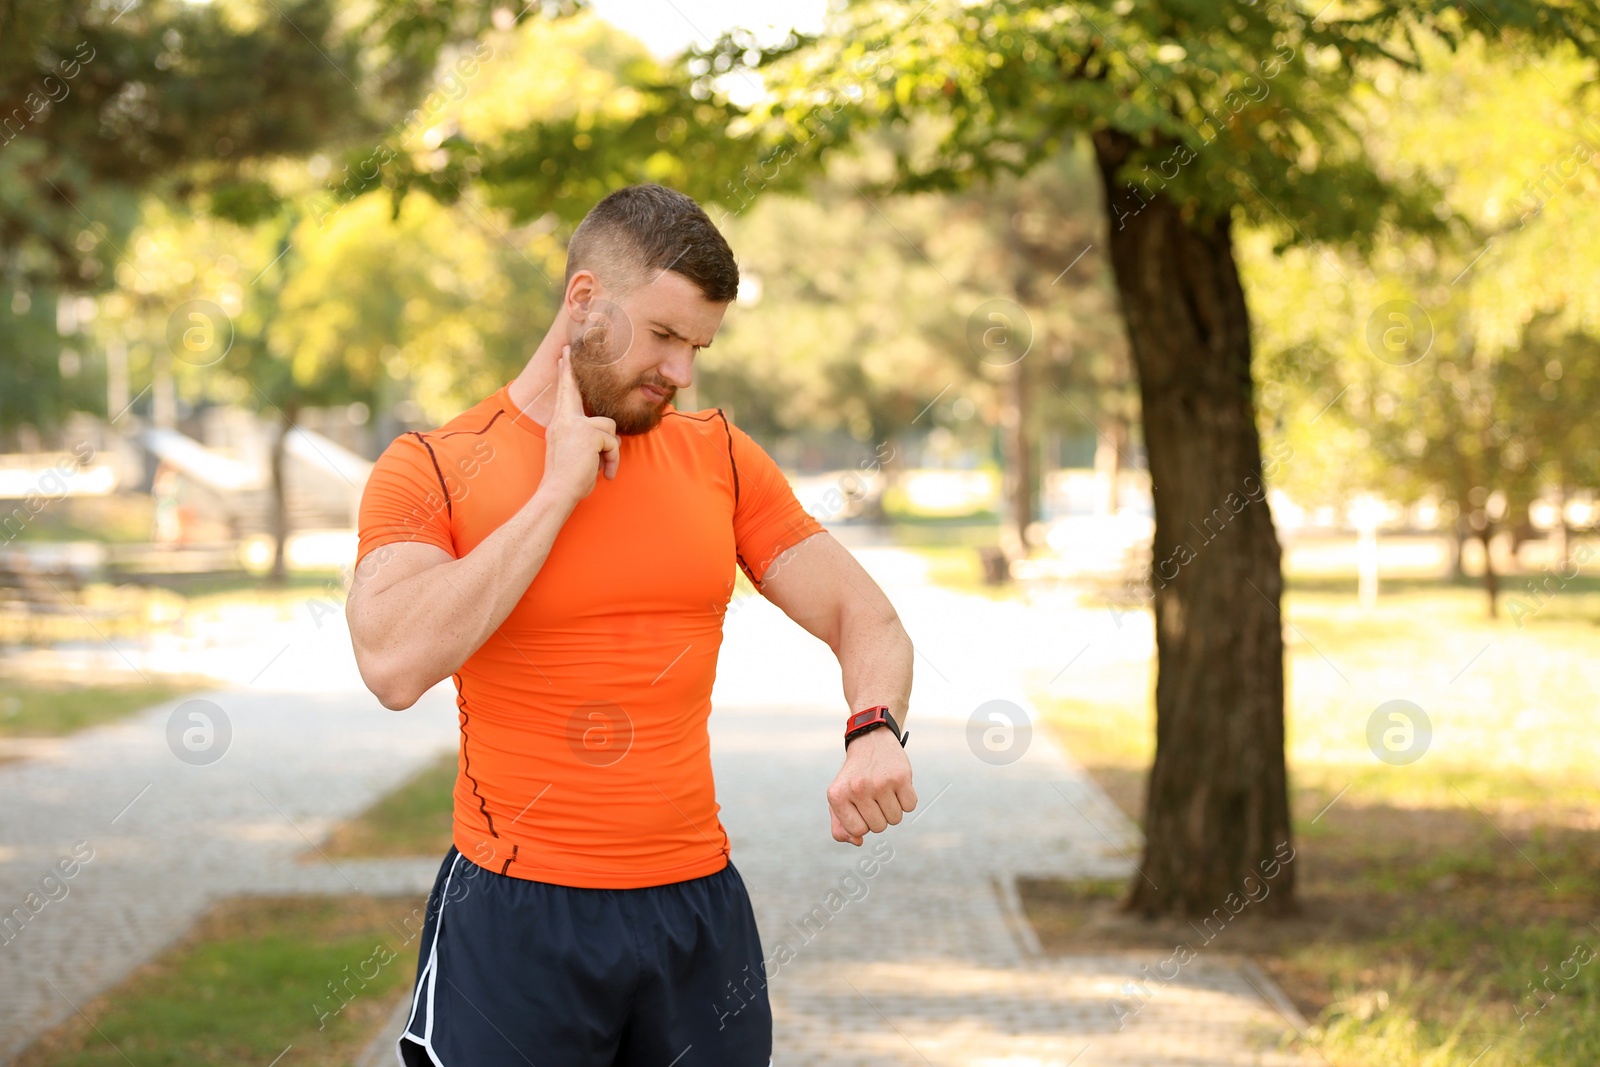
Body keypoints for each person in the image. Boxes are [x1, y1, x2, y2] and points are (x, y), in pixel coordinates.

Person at [346, 183, 916, 1067]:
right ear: (585, 302)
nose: (682, 372)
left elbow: (865, 615)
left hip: (696, 915)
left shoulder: (718, 455)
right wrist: (557, 491)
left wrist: (874, 726)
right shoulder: (433, 465)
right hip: (514, 915)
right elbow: (391, 663)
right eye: (664, 337)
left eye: (697, 347)